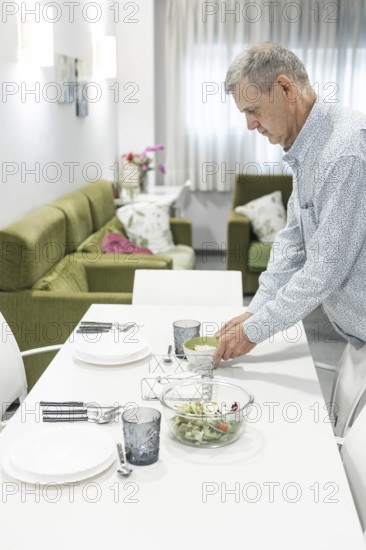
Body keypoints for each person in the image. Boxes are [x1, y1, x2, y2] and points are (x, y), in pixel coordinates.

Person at [213, 42, 366, 365]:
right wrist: (255, 309)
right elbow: (292, 242)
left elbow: (325, 269)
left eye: (253, 110)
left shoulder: (344, 152)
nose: (250, 125)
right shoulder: (306, 148)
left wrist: (252, 332)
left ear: (285, 88)